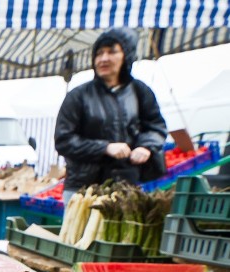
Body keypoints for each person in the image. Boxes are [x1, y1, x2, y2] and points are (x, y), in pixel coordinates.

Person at [54, 28, 168, 203]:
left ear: (126, 55)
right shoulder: (79, 96)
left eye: (112, 51)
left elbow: (156, 127)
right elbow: (63, 141)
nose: (104, 58)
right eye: (99, 53)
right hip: (83, 188)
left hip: (126, 185)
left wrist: (146, 146)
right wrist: (105, 147)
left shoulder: (140, 92)